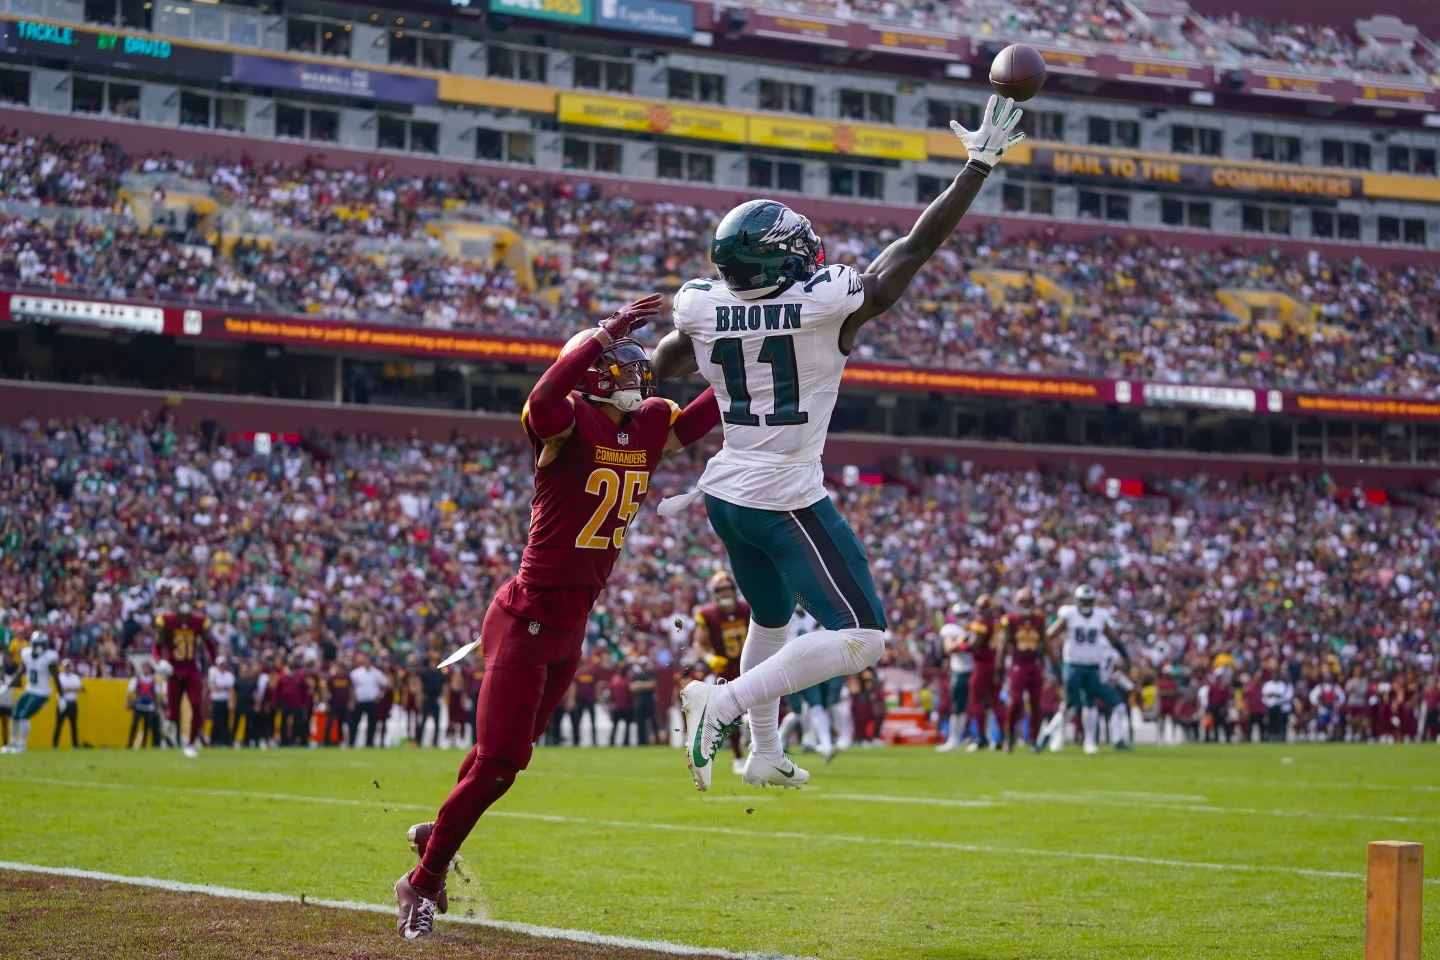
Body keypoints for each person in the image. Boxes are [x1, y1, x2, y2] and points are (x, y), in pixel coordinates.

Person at [653, 96, 1024, 792]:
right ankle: (722, 704)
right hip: (782, 493)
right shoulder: (825, 304)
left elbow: (663, 366)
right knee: (862, 637)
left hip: (725, 491)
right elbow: (913, 248)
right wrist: (976, 166)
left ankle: (764, 753)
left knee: (770, 619)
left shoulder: (702, 307)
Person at [395, 294, 721, 938]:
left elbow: (709, 415)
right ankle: (423, 880)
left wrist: (755, 360)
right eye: (621, 363)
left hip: (569, 629)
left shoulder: (650, 421)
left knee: (501, 760)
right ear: (594, 368)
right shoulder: (568, 420)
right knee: (500, 761)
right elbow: (541, 403)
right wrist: (595, 339)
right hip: (524, 619)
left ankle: (438, 832)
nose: (636, 372)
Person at [1044, 586, 1129, 755]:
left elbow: (1113, 639)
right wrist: (1049, 659)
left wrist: (1125, 656)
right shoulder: (1069, 614)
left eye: (1089, 600)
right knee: (1070, 702)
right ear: (1077, 600)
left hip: (1092, 665)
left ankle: (1089, 741)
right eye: (1083, 600)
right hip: (1073, 663)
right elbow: (1049, 635)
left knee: (1090, 702)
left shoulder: (1100, 617)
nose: (1086, 604)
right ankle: (1055, 735)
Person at [691, 570, 751, 772]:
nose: (725, 594)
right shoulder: (708, 615)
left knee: (763, 706)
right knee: (730, 714)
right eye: (721, 591)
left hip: (749, 665)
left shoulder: (747, 608)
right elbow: (698, 643)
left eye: (727, 590)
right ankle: (738, 756)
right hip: (725, 668)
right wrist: (709, 658)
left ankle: (762, 751)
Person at [155, 596, 215, 758]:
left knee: (196, 706)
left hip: (191, 670)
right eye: (183, 600)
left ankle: (190, 743)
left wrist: (213, 665)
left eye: (188, 601)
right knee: (173, 713)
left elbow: (209, 643)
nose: (185, 605)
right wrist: (160, 661)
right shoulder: (166, 620)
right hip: (173, 671)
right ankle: (168, 731)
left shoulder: (199, 621)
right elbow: (157, 645)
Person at [997, 588, 1046, 753]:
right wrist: (999, 666)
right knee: (1016, 701)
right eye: (1023, 602)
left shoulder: (1039, 620)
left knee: (1036, 703)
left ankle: (1033, 740)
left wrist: (1054, 664)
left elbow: (1045, 643)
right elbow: (1003, 644)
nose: (1026, 605)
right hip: (1018, 664)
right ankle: (1009, 737)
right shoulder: (1010, 620)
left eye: (1028, 602)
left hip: (1034, 663)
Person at [3, 632, 59, 754]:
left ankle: (22, 744)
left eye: (41, 645)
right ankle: (13, 743)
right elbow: (20, 671)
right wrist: (7, 686)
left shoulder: (49, 658)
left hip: (42, 692)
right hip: (30, 689)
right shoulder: (27, 654)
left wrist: (62, 696)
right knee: (15, 713)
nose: (39, 647)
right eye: (37, 644)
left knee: (24, 715)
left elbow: (56, 677)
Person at [936, 602, 974, 753]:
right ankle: (953, 739)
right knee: (957, 707)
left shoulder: (974, 627)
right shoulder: (951, 630)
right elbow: (948, 648)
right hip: (959, 671)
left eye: (964, 615)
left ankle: (979, 738)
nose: (962, 618)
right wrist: (963, 642)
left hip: (975, 670)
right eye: (960, 615)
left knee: (979, 707)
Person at [350, 651, 388, 747]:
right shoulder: (356, 673)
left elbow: (385, 684)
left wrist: (380, 694)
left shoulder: (377, 673)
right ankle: (352, 742)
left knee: (371, 724)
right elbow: (350, 686)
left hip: (372, 701)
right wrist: (353, 699)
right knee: (355, 723)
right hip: (360, 701)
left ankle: (369, 743)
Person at [126, 660, 162, 748]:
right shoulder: (136, 679)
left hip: (149, 707)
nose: (146, 669)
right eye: (144, 667)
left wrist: (157, 707)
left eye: (147, 668)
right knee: (134, 726)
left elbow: (157, 696)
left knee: (147, 727)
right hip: (138, 706)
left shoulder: (154, 681)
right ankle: (129, 744)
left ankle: (144, 745)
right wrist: (128, 702)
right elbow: (130, 692)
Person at [52, 660, 83, 749]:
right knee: (59, 724)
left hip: (72, 703)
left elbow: (79, 689)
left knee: (74, 725)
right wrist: (72, 689)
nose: (67, 669)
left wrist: (68, 689)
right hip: (62, 703)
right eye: (66, 667)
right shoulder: (60, 677)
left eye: (68, 667)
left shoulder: (75, 677)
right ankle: (55, 744)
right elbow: (61, 690)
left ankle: (75, 744)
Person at [324, 658, 354, 747]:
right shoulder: (332, 678)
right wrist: (326, 703)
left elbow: (350, 690)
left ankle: (351, 742)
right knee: (329, 723)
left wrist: (351, 702)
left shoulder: (347, 677)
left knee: (349, 724)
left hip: (344, 704)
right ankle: (326, 742)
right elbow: (326, 691)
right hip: (334, 703)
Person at [207, 656, 236, 747]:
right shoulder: (214, 674)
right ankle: (214, 740)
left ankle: (225, 740)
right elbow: (214, 688)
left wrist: (230, 701)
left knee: (225, 721)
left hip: (225, 700)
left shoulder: (229, 675)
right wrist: (224, 687)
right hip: (216, 700)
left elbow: (230, 689)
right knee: (216, 720)